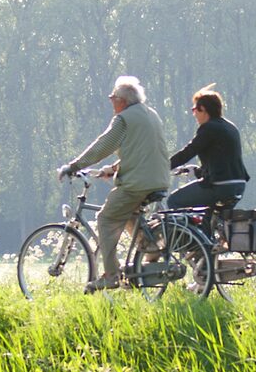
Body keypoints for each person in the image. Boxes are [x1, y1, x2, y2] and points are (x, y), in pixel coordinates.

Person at [57, 76, 172, 290]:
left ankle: (111, 275)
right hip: (160, 179)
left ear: (123, 100)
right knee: (128, 214)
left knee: (106, 218)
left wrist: (73, 166)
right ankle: (152, 248)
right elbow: (141, 151)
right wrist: (112, 169)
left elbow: (103, 146)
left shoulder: (124, 119)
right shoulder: (151, 115)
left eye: (113, 97)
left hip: (137, 184)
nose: (111, 100)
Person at [166, 85, 248, 209]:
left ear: (203, 109)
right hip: (238, 185)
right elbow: (223, 161)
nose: (194, 115)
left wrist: (163, 167)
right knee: (208, 216)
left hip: (220, 185)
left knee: (174, 200)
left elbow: (188, 152)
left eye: (194, 110)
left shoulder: (209, 128)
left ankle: (184, 229)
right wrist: (198, 171)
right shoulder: (230, 127)